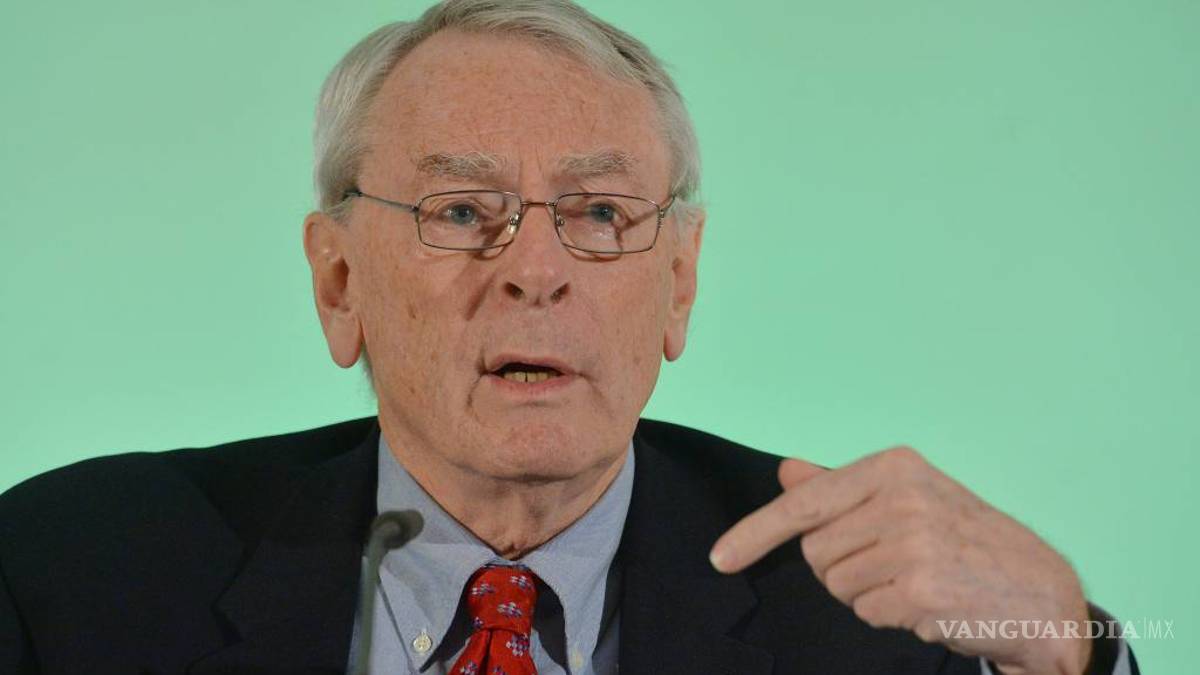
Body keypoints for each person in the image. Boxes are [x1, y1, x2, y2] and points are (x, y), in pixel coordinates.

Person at [0, 1, 1140, 673]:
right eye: (461, 212)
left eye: (599, 214)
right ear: (339, 281)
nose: (536, 269)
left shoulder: (870, 613)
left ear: (679, 282)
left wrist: (1073, 646)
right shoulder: (73, 575)